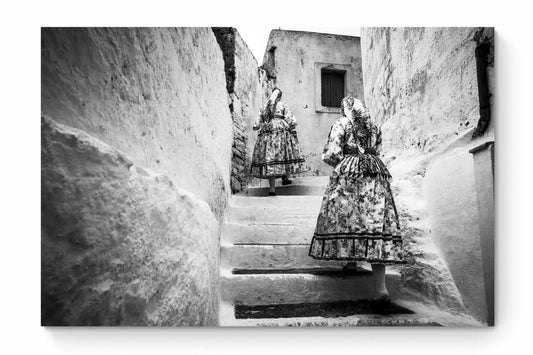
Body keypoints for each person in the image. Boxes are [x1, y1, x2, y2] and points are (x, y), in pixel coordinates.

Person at [308, 96, 404, 301]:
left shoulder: (341, 123)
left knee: (349, 219)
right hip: (375, 171)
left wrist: (339, 162)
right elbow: (377, 150)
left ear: (345, 110)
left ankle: (351, 261)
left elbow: (332, 153)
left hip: (350, 173)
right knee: (375, 224)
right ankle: (380, 288)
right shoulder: (374, 127)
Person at [250, 87, 308, 195]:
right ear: (280, 96)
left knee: (270, 158)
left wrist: (256, 126)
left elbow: (258, 120)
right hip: (282, 131)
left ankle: (272, 189)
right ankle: (285, 178)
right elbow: (289, 118)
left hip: (268, 130)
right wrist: (293, 128)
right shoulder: (283, 105)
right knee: (284, 154)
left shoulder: (265, 106)